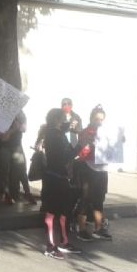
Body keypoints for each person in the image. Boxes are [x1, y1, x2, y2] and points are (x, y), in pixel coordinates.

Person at [40, 108, 80, 259]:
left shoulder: (56, 132)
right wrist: (80, 146)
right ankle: (50, 246)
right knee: (52, 212)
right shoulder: (54, 134)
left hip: (60, 177)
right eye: (63, 118)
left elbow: (64, 130)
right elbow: (65, 156)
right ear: (56, 119)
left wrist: (71, 127)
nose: (65, 120)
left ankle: (64, 241)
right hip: (54, 178)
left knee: (64, 212)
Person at [75, 106, 112, 242]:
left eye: (101, 119)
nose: (99, 122)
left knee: (99, 200)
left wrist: (119, 141)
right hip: (89, 169)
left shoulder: (107, 132)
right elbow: (81, 153)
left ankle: (98, 229)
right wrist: (90, 145)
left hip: (102, 170)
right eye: (97, 119)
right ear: (91, 118)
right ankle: (81, 229)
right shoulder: (85, 133)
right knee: (85, 200)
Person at [8, 111, 35, 204]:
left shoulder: (20, 114)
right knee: (11, 171)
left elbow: (24, 129)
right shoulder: (4, 112)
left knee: (21, 169)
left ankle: (26, 192)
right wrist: (13, 128)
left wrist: (19, 124)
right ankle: (13, 194)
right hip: (5, 145)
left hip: (16, 145)